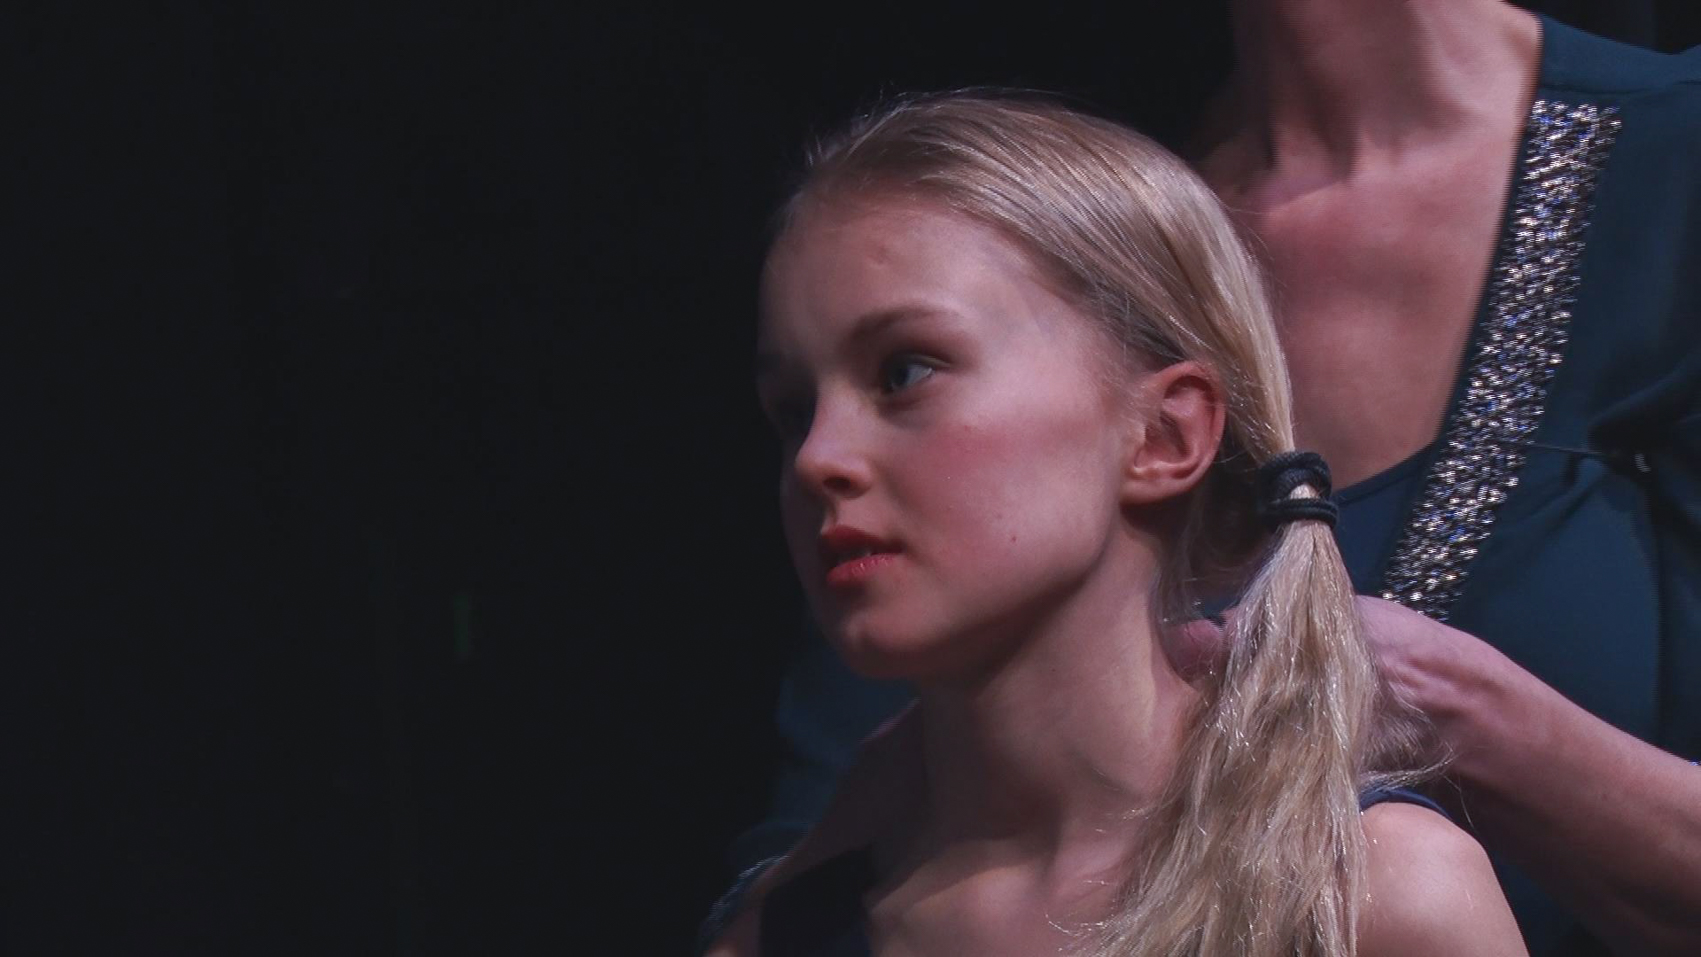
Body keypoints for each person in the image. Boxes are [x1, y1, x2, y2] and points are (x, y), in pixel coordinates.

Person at [719, 4, 1701, 954]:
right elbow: (812, 831)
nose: (819, 456)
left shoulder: (1386, 890)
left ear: (1168, 431)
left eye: (905, 373)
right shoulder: (1005, 200)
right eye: (791, 412)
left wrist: (1477, 724)